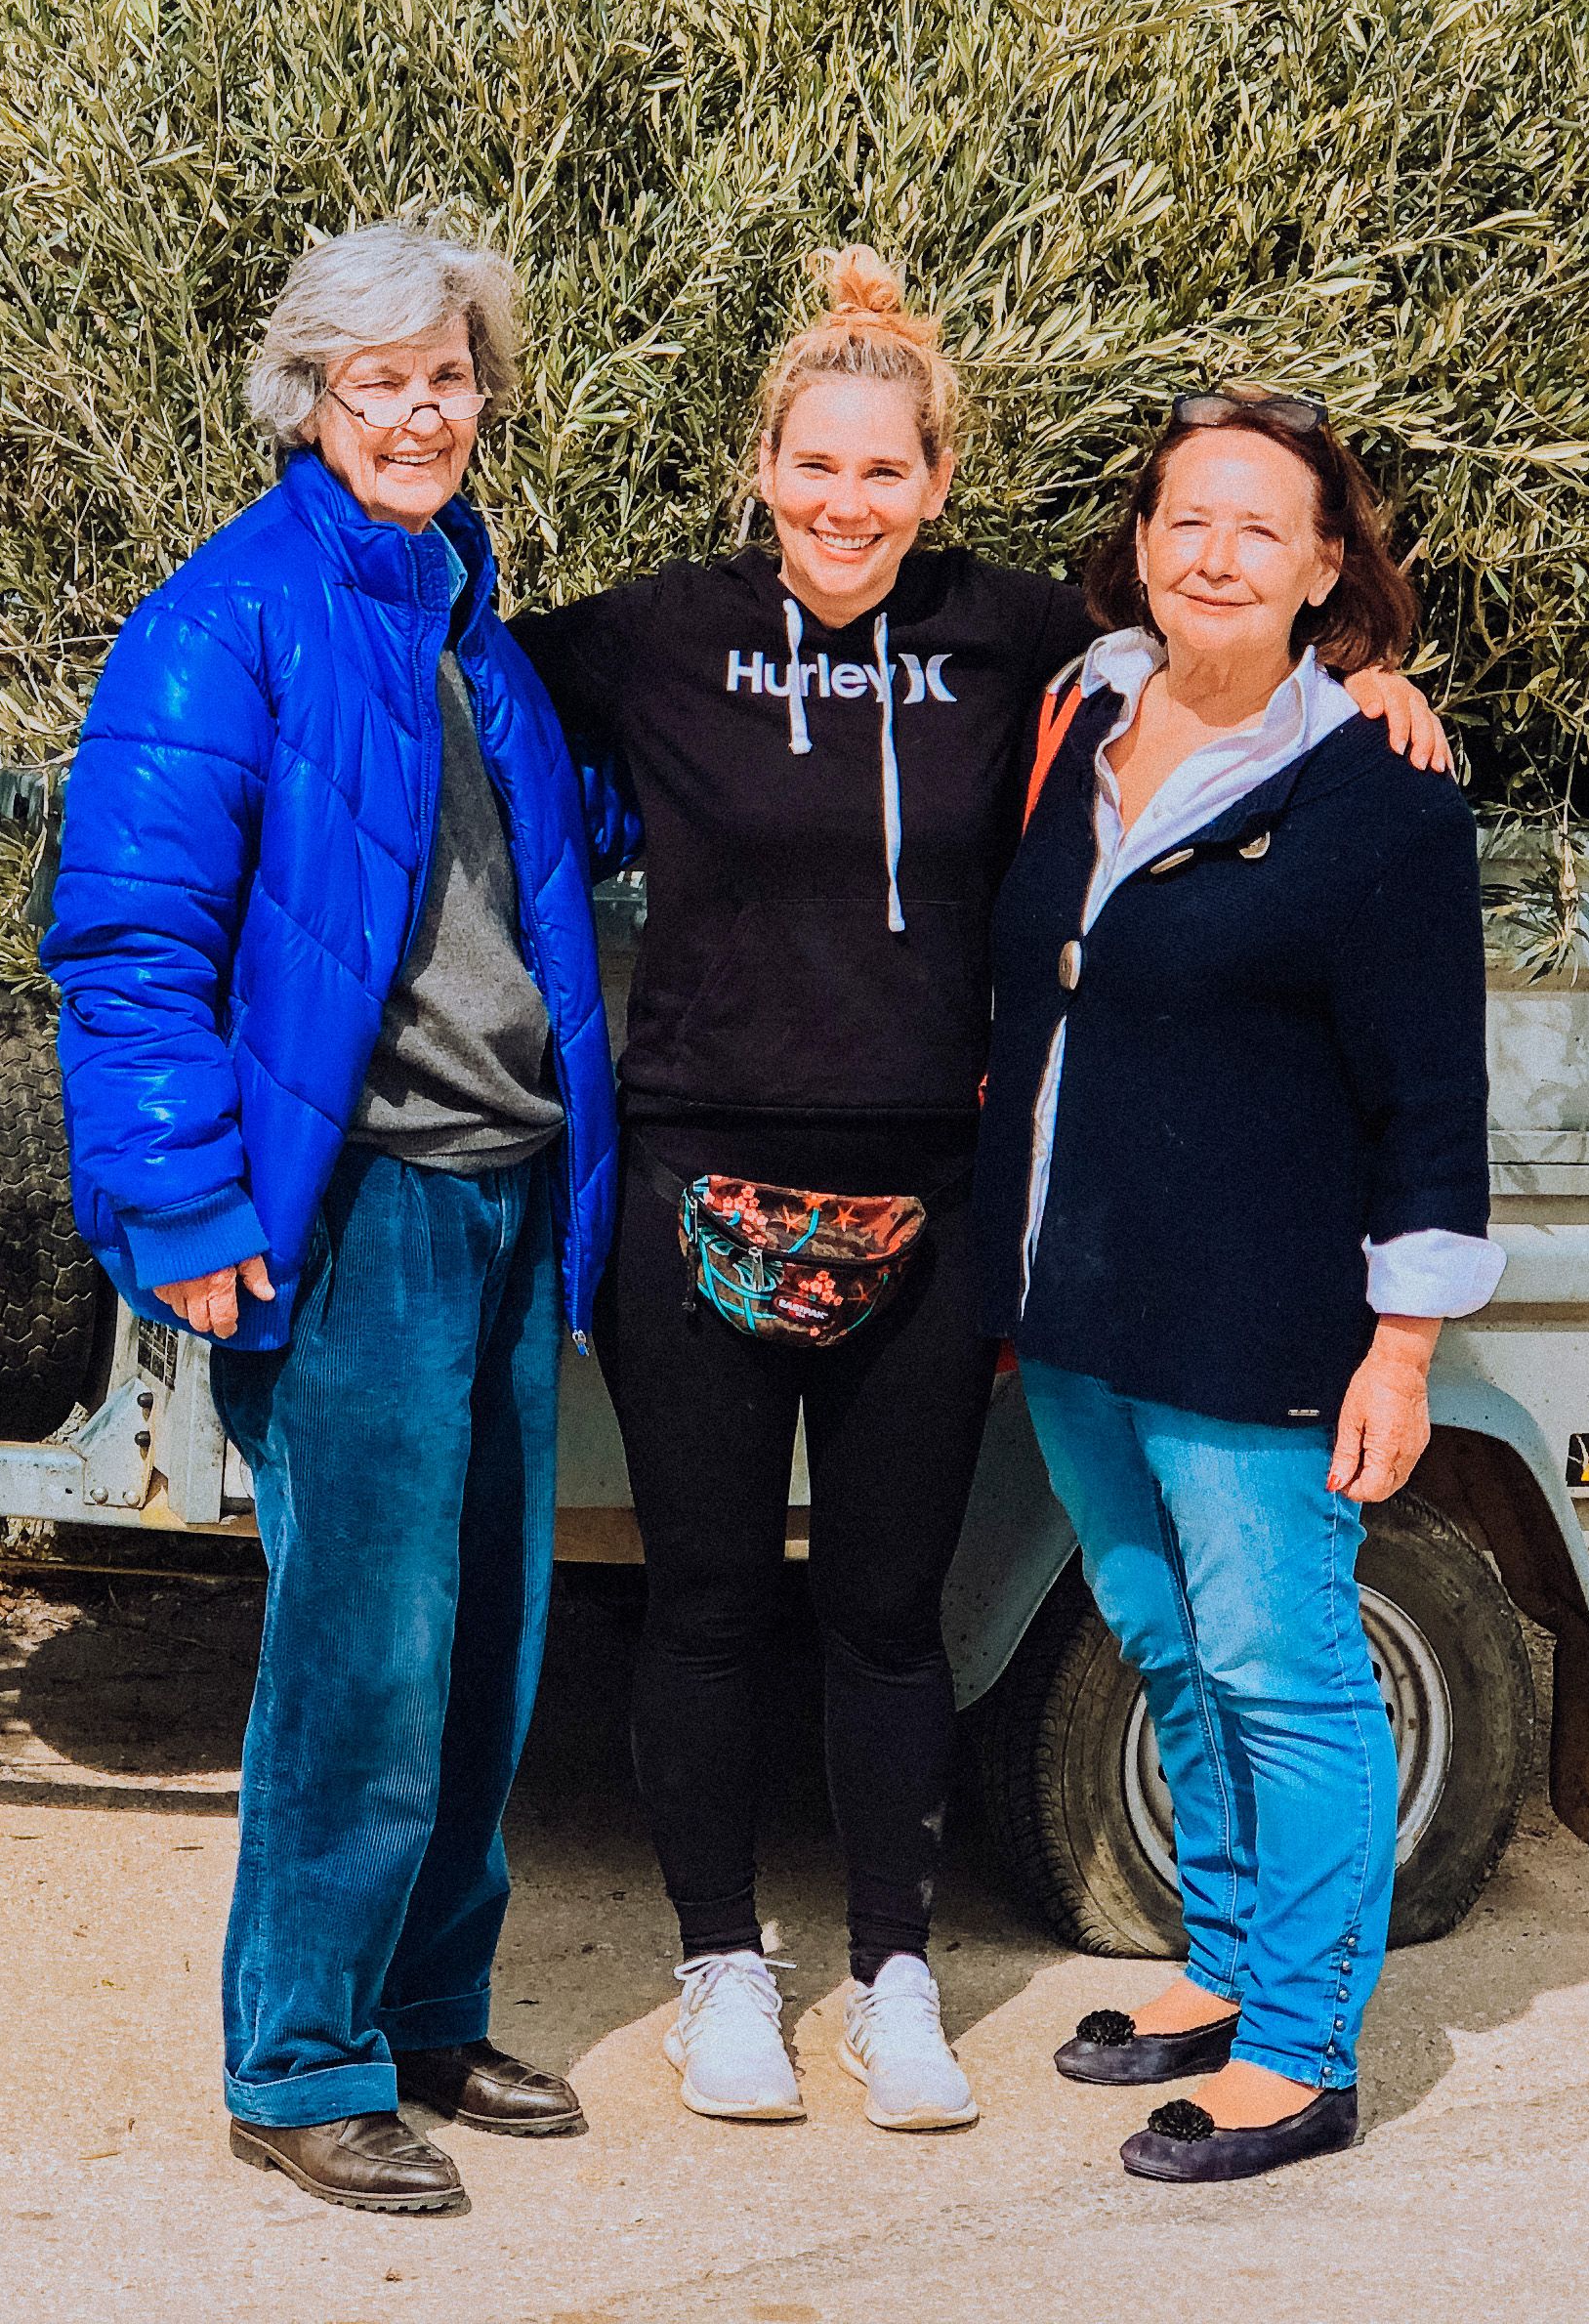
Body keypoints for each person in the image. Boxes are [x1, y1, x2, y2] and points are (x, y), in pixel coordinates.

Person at [511, 254, 1451, 2134]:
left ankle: (898, 1977)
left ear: (939, 482)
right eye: (815, 465)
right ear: (760, 467)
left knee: (884, 1614)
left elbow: (1227, 661)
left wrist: (1367, 675)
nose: (846, 503)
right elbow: (446, 668)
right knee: (705, 1603)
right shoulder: (655, 637)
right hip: (702, 1190)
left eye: (886, 470)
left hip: (939, 1210)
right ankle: (721, 1976)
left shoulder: (1015, 636)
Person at [43, 220, 620, 2217]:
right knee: (363, 1659)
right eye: (381, 381)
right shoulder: (222, 622)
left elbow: (565, 852)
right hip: (355, 1209)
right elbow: (128, 946)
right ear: (310, 397)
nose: (422, 412)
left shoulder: (470, 625)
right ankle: (299, 2060)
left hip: (504, 1193)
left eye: (450, 377)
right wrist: (182, 1202)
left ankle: (429, 2015)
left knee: (489, 1654)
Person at [970, 385, 1502, 2185]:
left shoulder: (1379, 798)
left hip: (1260, 1327)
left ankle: (1301, 2051)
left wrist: (1405, 1343)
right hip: (1076, 1316)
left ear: (1325, 567)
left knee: (1288, 1677)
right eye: (1187, 519)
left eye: (1259, 528)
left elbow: (1432, 1095)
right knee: (1167, 1650)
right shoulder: (1089, 707)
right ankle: (1220, 1964)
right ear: (1140, 544)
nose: (1215, 554)